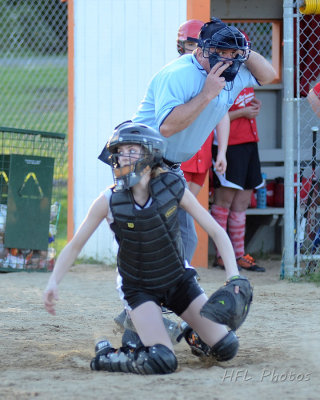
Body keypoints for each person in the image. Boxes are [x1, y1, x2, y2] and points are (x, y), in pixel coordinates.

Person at [43, 122, 242, 375]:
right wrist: (53, 282)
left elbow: (215, 231)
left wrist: (233, 276)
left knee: (227, 347)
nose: (123, 156)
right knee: (162, 361)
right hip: (139, 287)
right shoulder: (109, 200)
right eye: (119, 151)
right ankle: (110, 355)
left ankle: (193, 335)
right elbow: (74, 246)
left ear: (150, 156)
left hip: (178, 280)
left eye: (131, 150)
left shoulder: (171, 186)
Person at [131, 18, 276, 263]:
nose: (226, 60)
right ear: (201, 50)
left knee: (187, 238)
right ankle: (140, 295)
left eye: (232, 53)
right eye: (220, 52)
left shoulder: (232, 72)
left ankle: (173, 294)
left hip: (170, 165)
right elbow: (167, 127)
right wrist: (207, 93)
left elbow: (269, 75)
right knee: (153, 234)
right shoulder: (179, 73)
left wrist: (245, 51)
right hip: (141, 158)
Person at [210, 30, 266, 272]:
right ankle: (223, 255)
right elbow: (214, 116)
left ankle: (239, 253)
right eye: (233, 50)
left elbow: (267, 77)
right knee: (225, 199)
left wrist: (252, 109)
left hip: (249, 142)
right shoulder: (219, 74)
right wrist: (243, 113)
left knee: (243, 199)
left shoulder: (247, 73)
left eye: (241, 49)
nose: (237, 54)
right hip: (228, 144)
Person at [177, 19, 228, 197]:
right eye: (190, 44)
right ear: (181, 46)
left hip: (202, 156)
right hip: (179, 157)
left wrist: (221, 152)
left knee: (187, 211)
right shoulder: (178, 74)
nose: (194, 49)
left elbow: (222, 114)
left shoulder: (214, 76)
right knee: (174, 211)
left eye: (199, 44)